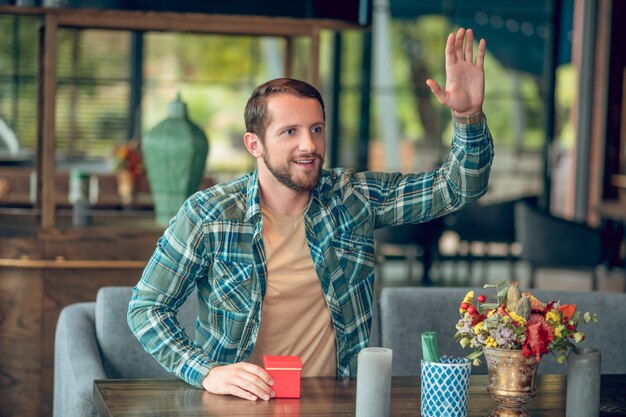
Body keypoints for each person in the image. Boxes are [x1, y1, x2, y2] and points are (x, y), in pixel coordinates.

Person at [128, 27, 493, 402]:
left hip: (333, 401)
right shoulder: (209, 215)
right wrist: (206, 372)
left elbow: (457, 188)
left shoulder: (352, 197)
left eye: (316, 129)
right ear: (254, 144)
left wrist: (467, 117)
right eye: (290, 132)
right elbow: (147, 309)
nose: (309, 145)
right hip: (238, 405)